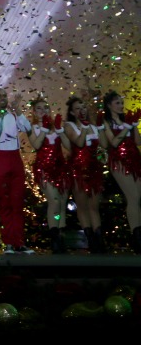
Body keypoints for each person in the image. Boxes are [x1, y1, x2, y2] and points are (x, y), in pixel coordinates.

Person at [0, 87, 33, 254]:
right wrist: (0, 116)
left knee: (17, 201)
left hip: (15, 158)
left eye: (4, 96)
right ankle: (9, 242)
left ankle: (19, 242)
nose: (3, 99)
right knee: (4, 201)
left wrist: (18, 110)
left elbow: (26, 128)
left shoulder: (13, 114)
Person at [62, 95, 104, 253]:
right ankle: (90, 237)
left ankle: (99, 238)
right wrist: (84, 128)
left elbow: (102, 146)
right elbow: (78, 143)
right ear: (72, 112)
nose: (82, 111)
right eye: (78, 109)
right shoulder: (69, 126)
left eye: (84, 107)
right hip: (78, 169)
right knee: (82, 205)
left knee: (94, 206)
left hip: (94, 169)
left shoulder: (94, 127)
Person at [101, 91, 141, 252]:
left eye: (121, 102)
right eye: (117, 103)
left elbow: (137, 141)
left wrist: (135, 126)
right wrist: (126, 128)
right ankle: (137, 237)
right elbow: (114, 142)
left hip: (135, 159)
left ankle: (138, 233)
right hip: (118, 161)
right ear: (109, 105)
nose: (121, 105)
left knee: (137, 198)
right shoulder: (106, 122)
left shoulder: (126, 120)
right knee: (133, 196)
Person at [29, 97, 69, 253]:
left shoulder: (56, 126)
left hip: (60, 168)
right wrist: (44, 129)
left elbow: (67, 145)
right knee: (54, 200)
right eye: (39, 108)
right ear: (33, 111)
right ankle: (54, 237)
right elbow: (36, 145)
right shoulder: (32, 127)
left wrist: (59, 129)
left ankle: (61, 236)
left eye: (45, 108)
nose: (43, 111)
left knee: (62, 203)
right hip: (44, 169)